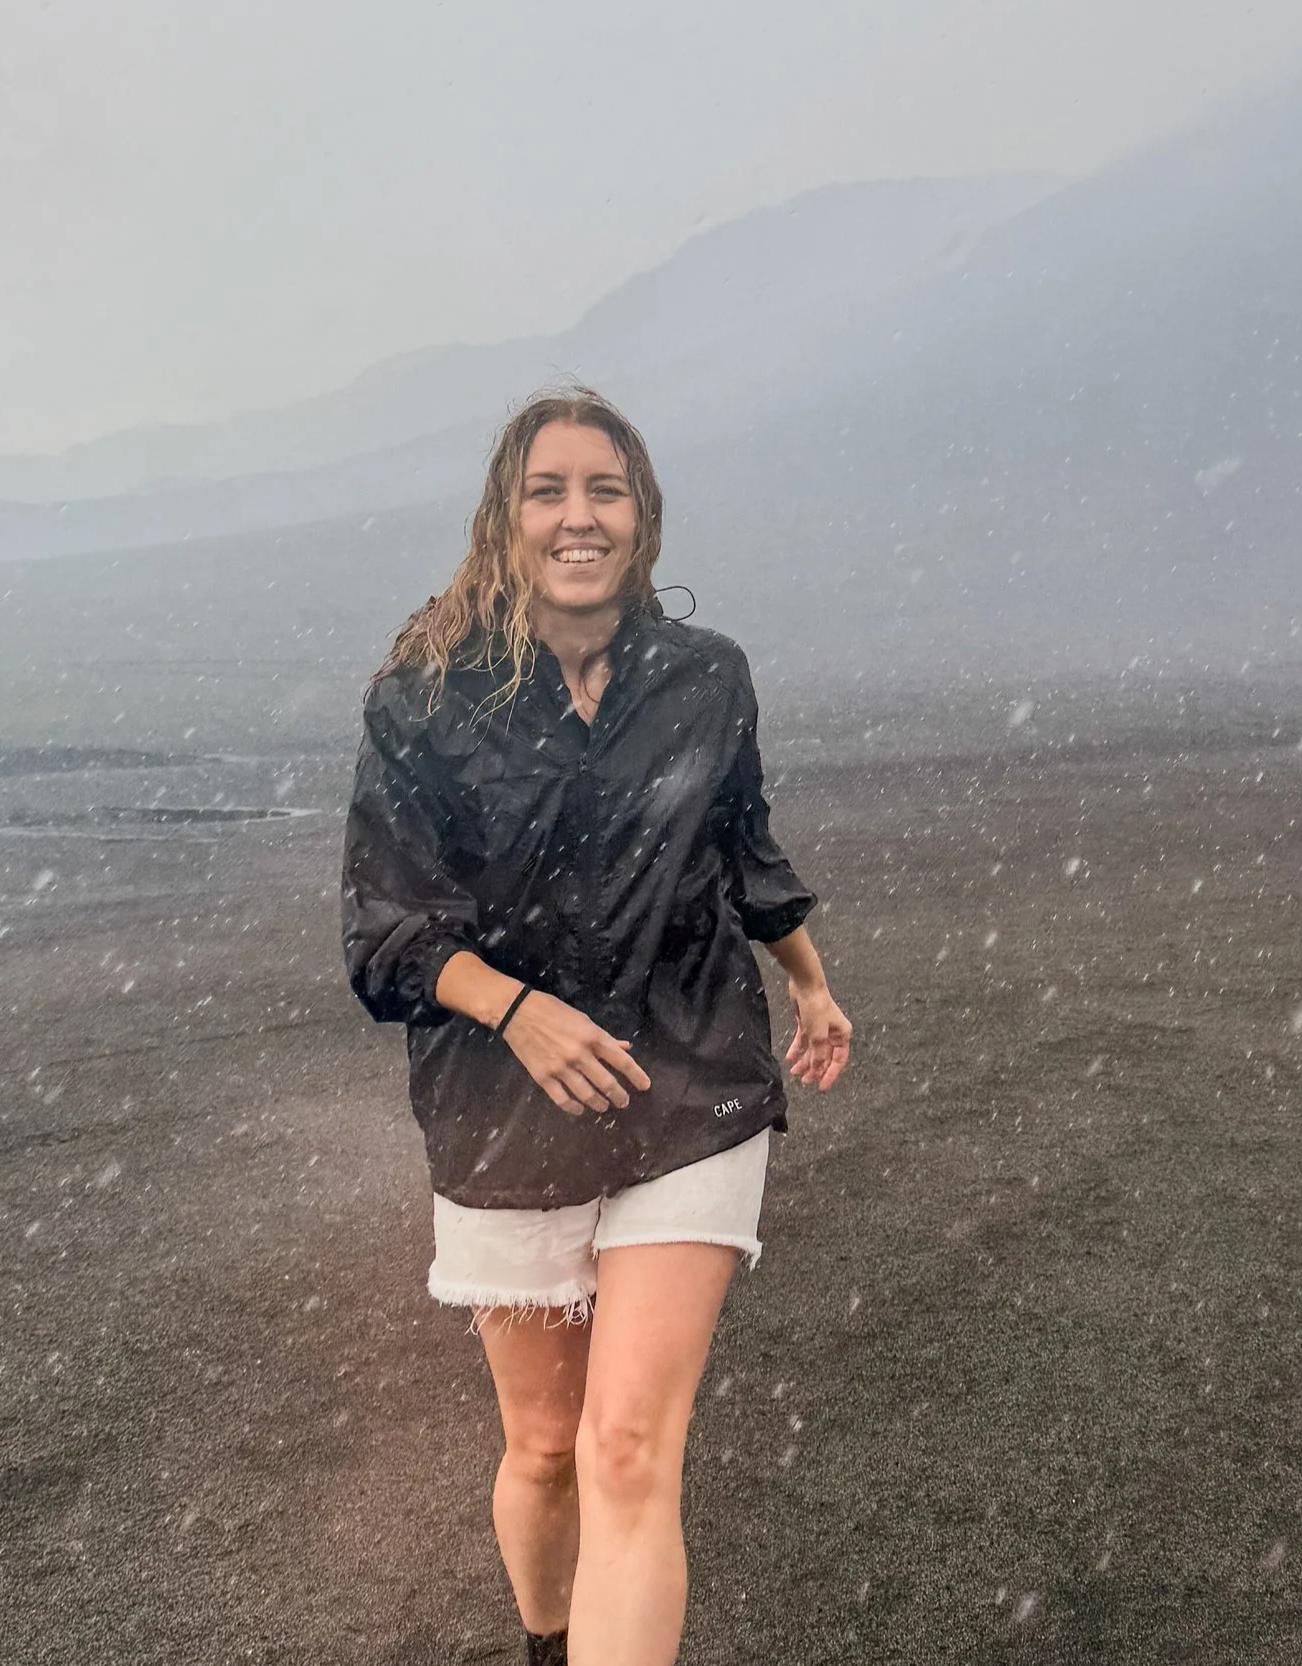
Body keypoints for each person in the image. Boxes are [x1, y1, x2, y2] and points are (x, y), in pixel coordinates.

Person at [341, 387, 852, 1666]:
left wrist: (809, 980)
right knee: (550, 1448)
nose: (580, 515)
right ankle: (546, 1644)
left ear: (645, 517)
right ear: (504, 520)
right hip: (501, 1109)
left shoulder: (705, 677)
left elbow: (738, 848)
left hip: (691, 1078)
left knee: (631, 1446)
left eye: (605, 490)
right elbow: (384, 932)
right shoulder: (426, 697)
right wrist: (516, 1011)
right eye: (550, 490)